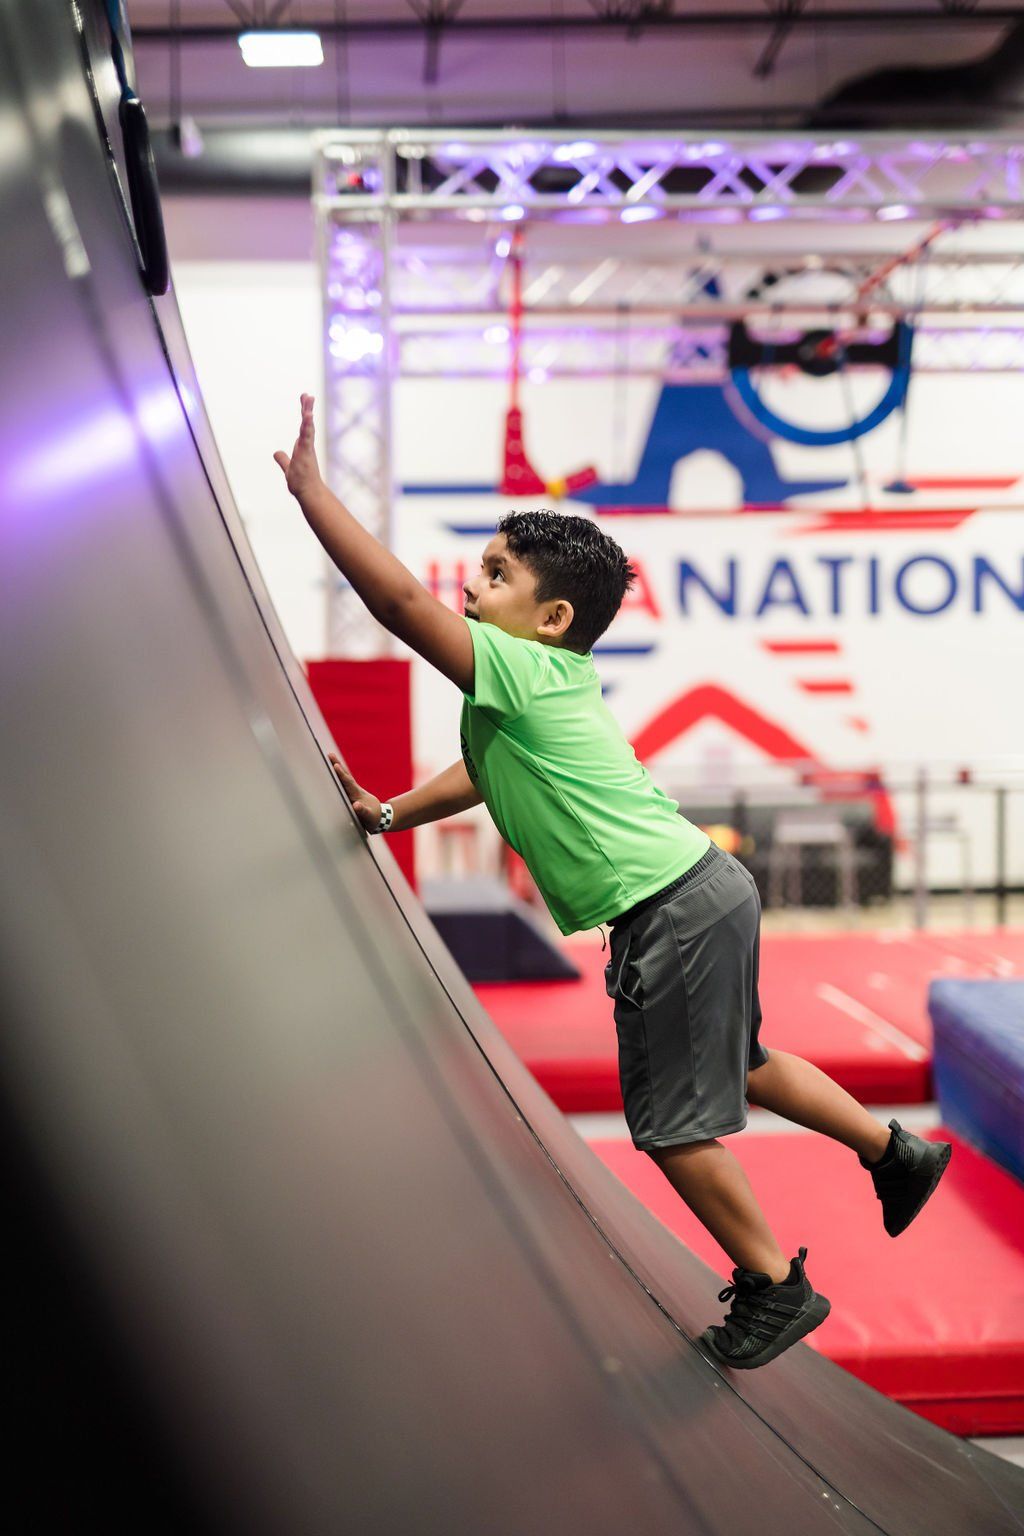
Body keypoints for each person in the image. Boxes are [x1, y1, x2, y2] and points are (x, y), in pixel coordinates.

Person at [274, 393, 952, 1370]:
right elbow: (480, 775)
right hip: (702, 886)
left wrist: (313, 496)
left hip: (667, 909)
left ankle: (776, 1285)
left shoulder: (517, 668)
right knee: (743, 1064)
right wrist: (388, 814)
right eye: (479, 567)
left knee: (668, 1128)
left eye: (496, 575)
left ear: (552, 619)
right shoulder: (533, 691)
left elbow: (400, 608)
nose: (471, 586)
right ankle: (896, 1152)